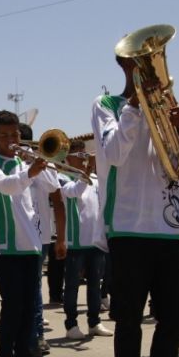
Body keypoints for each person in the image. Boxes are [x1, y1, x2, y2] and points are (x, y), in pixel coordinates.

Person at [92, 54, 179, 357]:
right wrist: (136, 107)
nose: (149, 71)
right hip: (127, 228)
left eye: (152, 62)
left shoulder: (168, 108)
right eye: (140, 62)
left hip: (170, 229)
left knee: (175, 318)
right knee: (129, 322)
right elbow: (113, 153)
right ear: (125, 66)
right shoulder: (107, 105)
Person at [0, 110, 48, 357]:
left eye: (15, 134)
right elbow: (6, 186)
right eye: (4, 135)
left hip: (30, 246)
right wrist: (30, 171)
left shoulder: (24, 160)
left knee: (29, 309)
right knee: (12, 307)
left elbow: (52, 185)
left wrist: (39, 162)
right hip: (5, 246)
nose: (10, 140)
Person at [18, 123, 65, 357]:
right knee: (26, 289)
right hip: (19, 235)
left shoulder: (44, 164)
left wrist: (62, 238)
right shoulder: (10, 165)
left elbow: (56, 197)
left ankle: (36, 336)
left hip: (39, 235)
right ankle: (30, 336)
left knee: (32, 288)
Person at [58, 143, 111, 340]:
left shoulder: (95, 179)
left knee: (95, 284)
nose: (83, 158)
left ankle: (94, 322)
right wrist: (87, 171)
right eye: (79, 155)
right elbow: (75, 191)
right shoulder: (63, 178)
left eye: (84, 154)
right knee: (72, 285)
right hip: (76, 241)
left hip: (95, 240)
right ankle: (71, 324)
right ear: (68, 158)